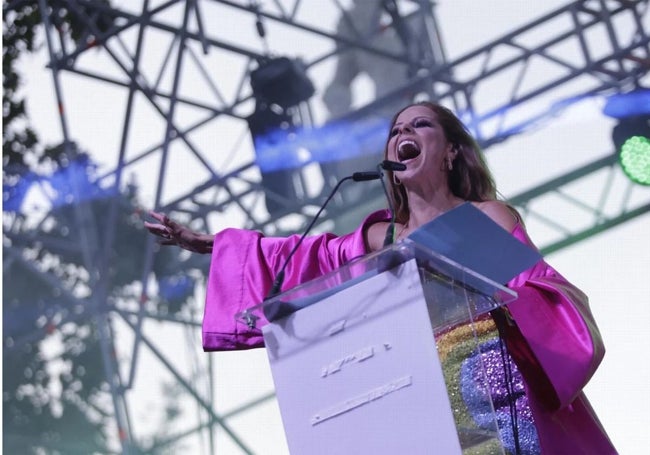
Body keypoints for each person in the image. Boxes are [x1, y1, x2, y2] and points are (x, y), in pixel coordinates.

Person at [145, 101, 616, 454]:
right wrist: (214, 245)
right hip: (414, 395)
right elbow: (297, 260)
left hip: (494, 389)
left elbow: (534, 289)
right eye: (395, 130)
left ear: (450, 151)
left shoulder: (488, 215)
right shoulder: (378, 237)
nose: (402, 133)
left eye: (419, 125)